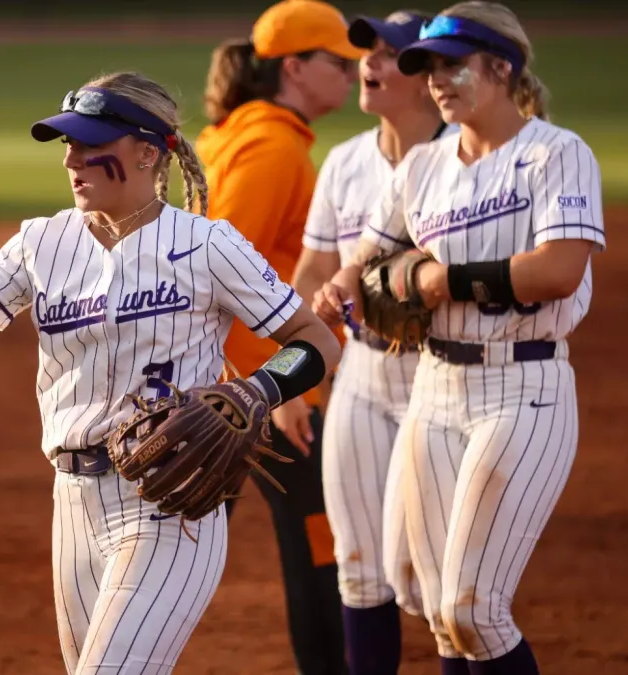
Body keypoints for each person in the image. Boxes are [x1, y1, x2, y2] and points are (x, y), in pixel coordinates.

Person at [0, 71, 341, 674]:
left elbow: (314, 339)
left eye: (92, 145)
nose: (73, 160)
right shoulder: (41, 243)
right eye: (67, 145)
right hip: (73, 505)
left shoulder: (207, 245)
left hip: (169, 503)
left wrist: (258, 388)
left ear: (149, 152)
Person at [313, 2, 604, 673]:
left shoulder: (555, 154)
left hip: (522, 388)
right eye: (428, 67)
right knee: (434, 603)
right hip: (436, 391)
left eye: (452, 65)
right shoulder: (424, 167)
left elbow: (558, 270)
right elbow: (367, 253)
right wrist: (344, 285)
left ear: (501, 67)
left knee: (473, 607)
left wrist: (445, 282)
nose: (437, 79)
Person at [193, 1, 363, 672]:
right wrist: (279, 384)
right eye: (339, 62)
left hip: (224, 384)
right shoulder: (271, 146)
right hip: (267, 390)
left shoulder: (229, 134)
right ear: (294, 67)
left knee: (180, 553)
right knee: (321, 551)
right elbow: (215, 273)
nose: (352, 75)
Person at [290, 9, 460, 675]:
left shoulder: (462, 162)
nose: (370, 62)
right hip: (361, 371)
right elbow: (311, 273)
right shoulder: (346, 162)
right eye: (367, 50)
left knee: (446, 578)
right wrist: (291, 379)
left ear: (424, 78)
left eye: (390, 54)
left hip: (444, 376)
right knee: (359, 566)